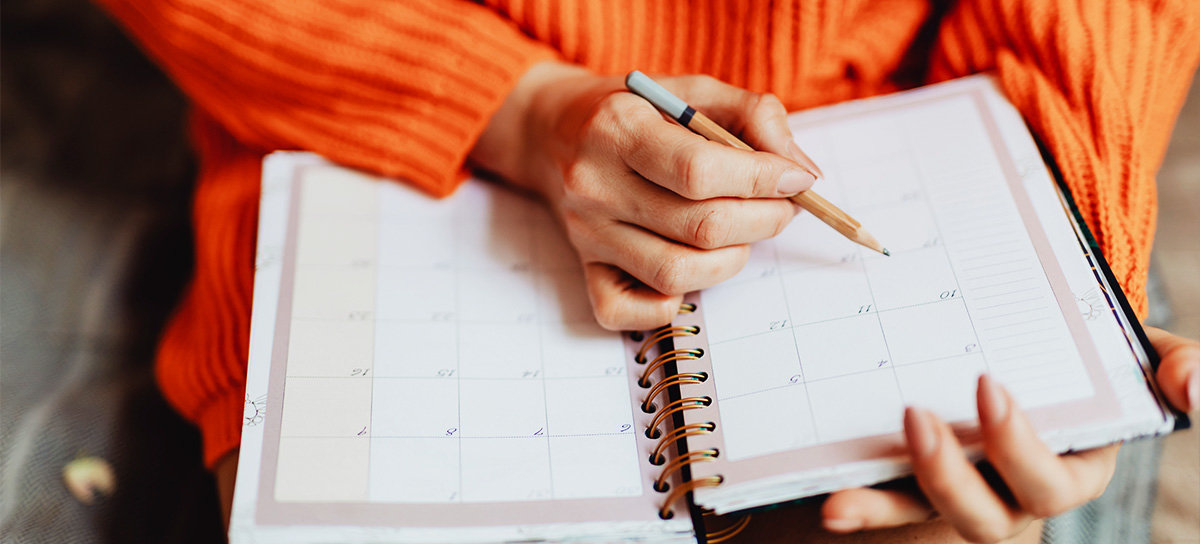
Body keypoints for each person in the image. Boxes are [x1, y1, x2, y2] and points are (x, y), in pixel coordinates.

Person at [94, 1, 1200, 542]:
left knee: (934, 513)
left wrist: (1057, 242)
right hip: (379, 119)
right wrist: (517, 106)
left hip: (881, 119)